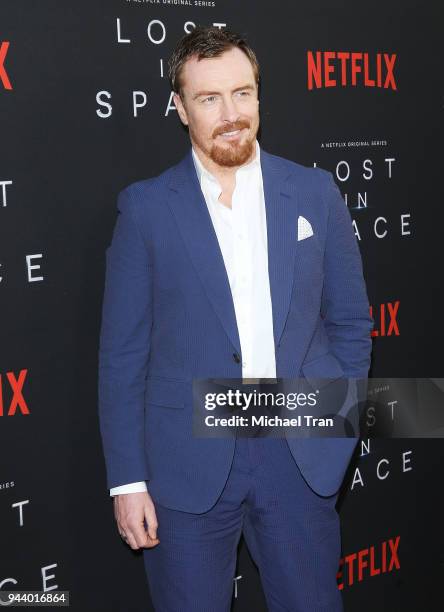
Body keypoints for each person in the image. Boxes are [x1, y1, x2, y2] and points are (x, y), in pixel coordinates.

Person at [98, 26, 373, 612]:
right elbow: (122, 359)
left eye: (242, 94)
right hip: (187, 463)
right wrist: (128, 481)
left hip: (299, 451)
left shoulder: (315, 193)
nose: (231, 114)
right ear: (180, 108)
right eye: (209, 98)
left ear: (258, 96)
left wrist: (338, 425)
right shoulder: (146, 209)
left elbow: (351, 323)